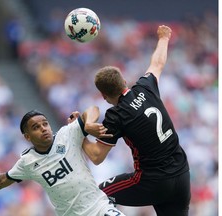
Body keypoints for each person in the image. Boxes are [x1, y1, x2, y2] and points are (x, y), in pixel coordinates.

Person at [82, 25, 191, 216]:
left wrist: (80, 134)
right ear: (124, 81)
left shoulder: (116, 115)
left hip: (152, 181)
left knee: (96, 195)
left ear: (103, 95)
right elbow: (157, 63)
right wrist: (164, 38)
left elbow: (96, 157)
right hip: (182, 176)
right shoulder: (145, 87)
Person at [0, 106, 126, 216]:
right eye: (36, 127)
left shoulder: (68, 134)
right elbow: (0, 180)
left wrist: (87, 124)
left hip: (100, 207)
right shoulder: (27, 162)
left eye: (45, 124)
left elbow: (93, 109)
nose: (43, 128)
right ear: (27, 137)